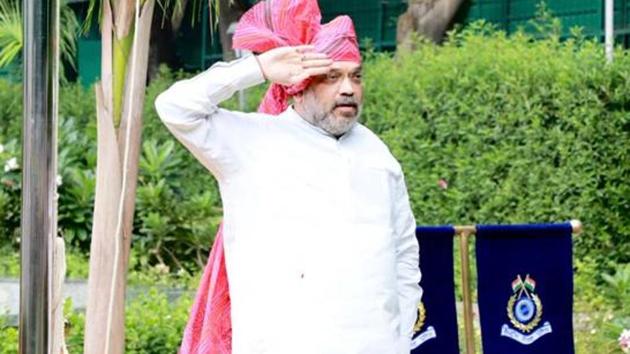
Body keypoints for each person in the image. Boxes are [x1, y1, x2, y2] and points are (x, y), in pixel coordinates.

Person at [154, 1, 422, 353]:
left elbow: (404, 252)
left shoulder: (378, 155)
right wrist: (258, 68)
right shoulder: (252, 141)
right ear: (299, 84)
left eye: (355, 76)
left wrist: (398, 337)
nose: (348, 89)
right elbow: (175, 108)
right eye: (331, 76)